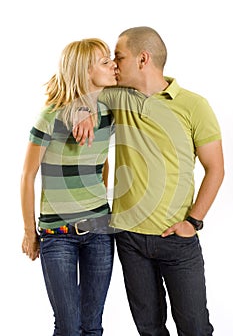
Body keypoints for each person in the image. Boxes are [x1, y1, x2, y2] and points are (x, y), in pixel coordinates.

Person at [73, 26, 225, 335]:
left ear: (143, 59)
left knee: (195, 328)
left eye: (120, 57)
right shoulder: (116, 97)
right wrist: (81, 109)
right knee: (149, 328)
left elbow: (216, 169)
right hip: (129, 238)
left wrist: (193, 222)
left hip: (177, 239)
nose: (114, 64)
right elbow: (72, 89)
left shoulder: (194, 106)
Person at [20, 38, 117, 336]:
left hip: (100, 232)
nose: (113, 65)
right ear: (84, 71)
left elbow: (102, 163)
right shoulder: (49, 118)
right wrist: (28, 232)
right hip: (57, 235)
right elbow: (27, 175)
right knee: (68, 327)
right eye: (104, 61)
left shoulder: (109, 114)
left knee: (92, 326)